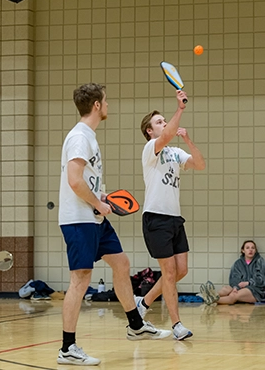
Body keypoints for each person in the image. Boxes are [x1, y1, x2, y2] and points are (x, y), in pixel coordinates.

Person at [58, 83, 171, 366]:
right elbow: (73, 180)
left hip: (95, 216)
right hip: (79, 219)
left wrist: (100, 197)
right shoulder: (80, 137)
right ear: (96, 105)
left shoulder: (89, 137)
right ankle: (67, 348)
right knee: (80, 279)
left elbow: (85, 180)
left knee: (121, 264)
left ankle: (135, 324)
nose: (108, 105)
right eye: (105, 101)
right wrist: (97, 204)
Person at [136, 90, 206, 340]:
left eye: (165, 120)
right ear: (149, 131)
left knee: (181, 270)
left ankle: (143, 303)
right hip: (156, 217)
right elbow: (166, 136)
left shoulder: (175, 152)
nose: (164, 124)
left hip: (175, 218)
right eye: (159, 122)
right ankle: (177, 325)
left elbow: (199, 164)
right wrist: (180, 109)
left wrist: (187, 140)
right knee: (168, 273)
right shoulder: (150, 149)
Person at [200, 240, 265, 305]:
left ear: (255, 250)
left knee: (234, 295)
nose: (250, 250)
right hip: (240, 287)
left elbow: (261, 279)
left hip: (255, 289)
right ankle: (211, 295)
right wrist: (235, 287)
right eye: (247, 248)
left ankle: (213, 300)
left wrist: (248, 283)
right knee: (226, 289)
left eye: (253, 248)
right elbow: (234, 278)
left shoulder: (260, 261)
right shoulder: (238, 263)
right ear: (243, 250)